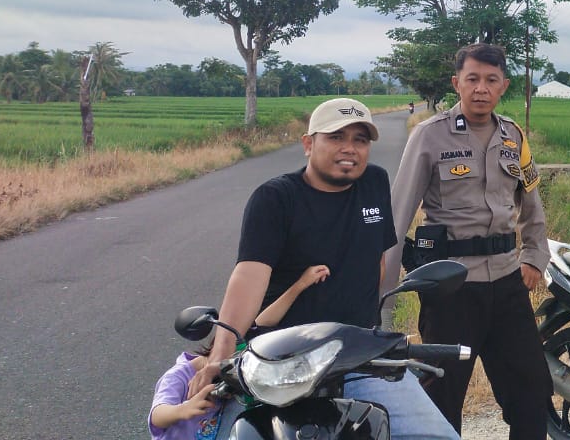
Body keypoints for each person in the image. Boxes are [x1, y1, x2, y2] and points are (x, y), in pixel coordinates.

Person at [187, 98, 458, 440]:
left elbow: (376, 258)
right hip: (280, 361)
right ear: (308, 143)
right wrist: (222, 354)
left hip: (358, 355)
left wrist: (372, 327)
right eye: (336, 137)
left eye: (360, 139)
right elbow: (248, 278)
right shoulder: (276, 198)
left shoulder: (374, 182)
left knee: (436, 435)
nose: (349, 148)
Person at [384, 43, 551, 440]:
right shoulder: (430, 136)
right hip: (451, 288)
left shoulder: (513, 136)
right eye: (472, 79)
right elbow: (397, 216)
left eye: (491, 80)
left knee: (532, 393)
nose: (481, 88)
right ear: (456, 82)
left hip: (507, 282)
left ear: (504, 86)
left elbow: (531, 202)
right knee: (442, 400)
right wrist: (383, 301)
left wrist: (533, 256)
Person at [148, 265, 328, 439]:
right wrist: (183, 409)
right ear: (217, 344)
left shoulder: (237, 369)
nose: (232, 363)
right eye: (230, 352)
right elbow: (157, 414)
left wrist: (300, 285)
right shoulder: (180, 374)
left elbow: (263, 322)